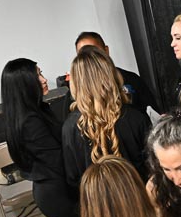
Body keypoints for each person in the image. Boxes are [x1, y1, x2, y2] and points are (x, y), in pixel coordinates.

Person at [1, 58, 79, 217]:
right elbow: (58, 161)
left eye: (41, 73)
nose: (44, 79)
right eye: (37, 76)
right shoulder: (30, 122)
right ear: (23, 84)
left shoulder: (36, 110)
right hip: (59, 193)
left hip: (56, 188)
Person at [62, 46, 151, 186]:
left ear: (76, 83)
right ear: (112, 75)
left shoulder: (70, 127)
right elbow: (152, 167)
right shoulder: (136, 118)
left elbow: (73, 179)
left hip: (96, 199)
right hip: (139, 194)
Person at [74, 31, 159, 115]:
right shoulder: (76, 92)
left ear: (106, 50)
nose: (90, 59)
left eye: (96, 52)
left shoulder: (132, 79)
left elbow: (154, 114)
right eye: (83, 55)